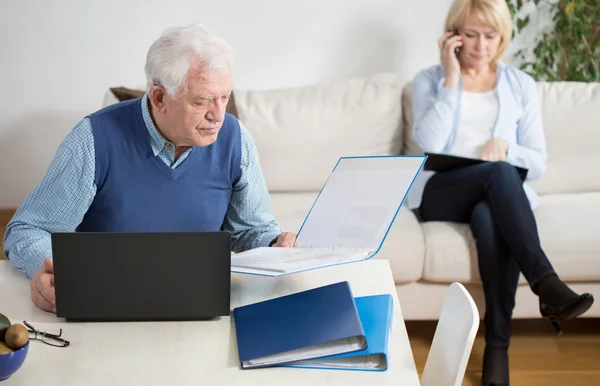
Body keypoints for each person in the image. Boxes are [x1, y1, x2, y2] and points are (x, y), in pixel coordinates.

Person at [3, 24, 297, 315]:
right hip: (105, 304)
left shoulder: (236, 139)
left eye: (224, 98)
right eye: (202, 101)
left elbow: (251, 230)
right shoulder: (93, 140)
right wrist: (52, 271)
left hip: (197, 306)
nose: (218, 116)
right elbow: (27, 230)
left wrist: (275, 244)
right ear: (159, 98)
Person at [407, 0, 594, 385]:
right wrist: (452, 78)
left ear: (503, 37)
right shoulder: (429, 81)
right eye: (471, 35)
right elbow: (427, 144)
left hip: (496, 194)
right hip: (442, 192)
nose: (480, 45)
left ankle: (497, 347)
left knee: (490, 216)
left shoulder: (519, 84)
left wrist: (507, 148)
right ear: (452, 36)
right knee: (497, 174)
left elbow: (537, 162)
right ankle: (546, 284)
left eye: (490, 35)